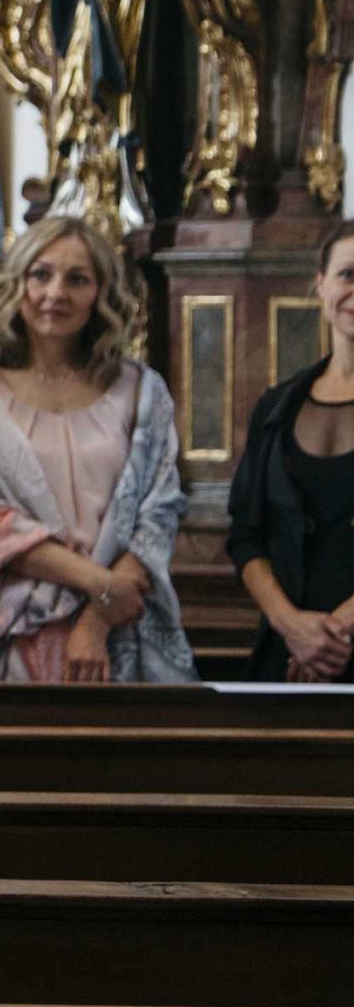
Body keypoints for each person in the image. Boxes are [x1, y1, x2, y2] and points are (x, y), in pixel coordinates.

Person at [0, 214, 195, 683]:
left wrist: (98, 617)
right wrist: (100, 583)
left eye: (77, 279)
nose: (56, 293)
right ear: (17, 283)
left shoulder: (140, 389)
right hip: (15, 636)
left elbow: (159, 510)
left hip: (124, 635)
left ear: (101, 293)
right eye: (41, 275)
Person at [226, 221, 354, 683]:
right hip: (284, 656)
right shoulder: (277, 408)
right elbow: (245, 535)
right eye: (348, 275)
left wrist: (334, 633)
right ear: (321, 285)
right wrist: (292, 626)